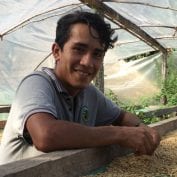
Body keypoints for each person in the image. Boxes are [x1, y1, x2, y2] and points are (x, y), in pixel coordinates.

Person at [0, 10, 160, 165]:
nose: (87, 62)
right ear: (57, 51)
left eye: (97, 54)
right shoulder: (36, 83)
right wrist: (120, 134)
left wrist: (143, 130)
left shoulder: (89, 93)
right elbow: (45, 135)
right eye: (79, 49)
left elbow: (122, 116)